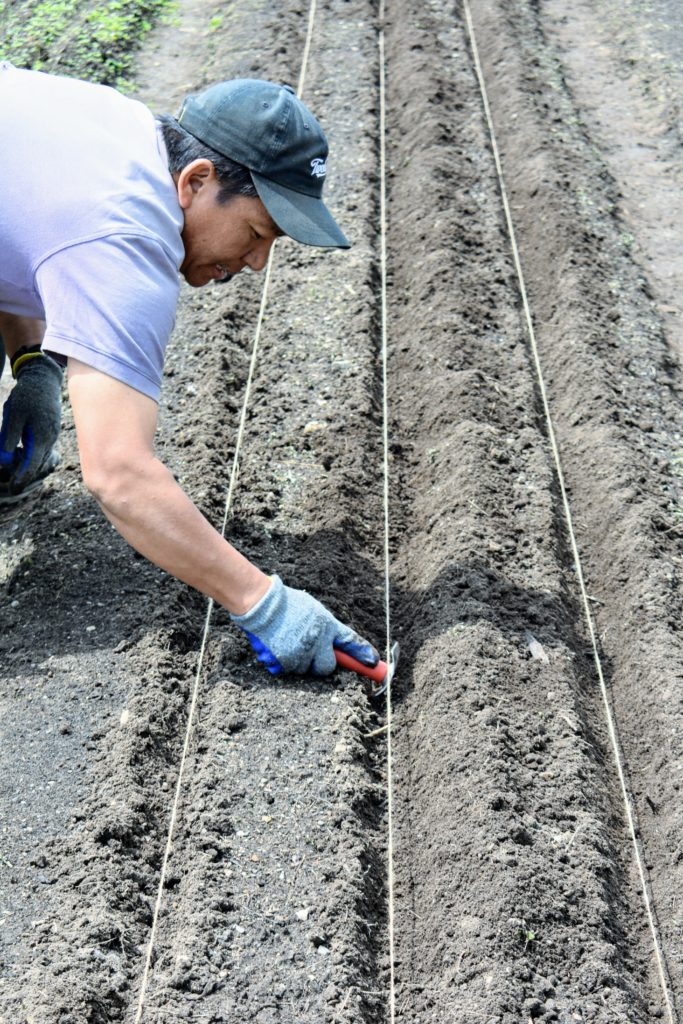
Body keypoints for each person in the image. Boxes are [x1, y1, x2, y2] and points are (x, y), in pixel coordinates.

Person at [0, 63, 379, 678]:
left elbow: (20, 229)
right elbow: (119, 474)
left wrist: (33, 363)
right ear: (196, 181)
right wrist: (263, 603)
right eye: (257, 232)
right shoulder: (126, 240)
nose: (256, 262)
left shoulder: (126, 129)